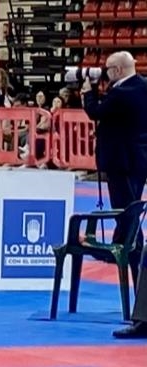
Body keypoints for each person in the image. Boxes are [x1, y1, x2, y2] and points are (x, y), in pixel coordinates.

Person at [82, 51, 147, 339]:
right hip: (138, 161)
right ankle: (126, 245)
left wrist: (88, 93)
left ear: (118, 70)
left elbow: (96, 112)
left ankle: (130, 253)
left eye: (108, 70)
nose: (105, 74)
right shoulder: (143, 86)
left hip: (121, 163)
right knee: (129, 215)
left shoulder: (121, 93)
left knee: (128, 219)